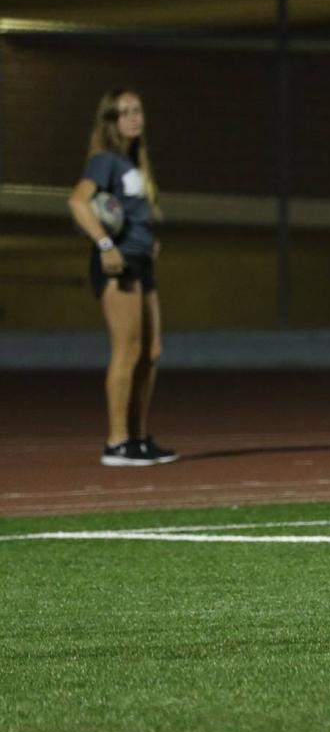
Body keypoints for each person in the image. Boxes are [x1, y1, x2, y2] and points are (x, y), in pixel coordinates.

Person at [65, 89, 177, 468]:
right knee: (127, 350)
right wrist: (105, 244)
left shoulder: (134, 161)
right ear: (109, 121)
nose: (132, 118)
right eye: (123, 113)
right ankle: (117, 443)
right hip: (119, 264)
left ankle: (138, 439)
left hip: (142, 263)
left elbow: (131, 213)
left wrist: (149, 242)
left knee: (152, 351)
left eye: (137, 110)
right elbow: (78, 202)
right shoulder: (105, 160)